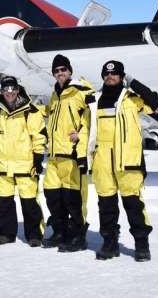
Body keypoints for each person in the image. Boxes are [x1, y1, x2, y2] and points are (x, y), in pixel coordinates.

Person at [90, 60, 158, 262]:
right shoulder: (94, 100)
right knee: (106, 208)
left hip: (128, 162)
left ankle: (141, 245)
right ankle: (109, 244)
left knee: (134, 206)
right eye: (107, 74)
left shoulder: (131, 99)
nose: (110, 77)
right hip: (103, 162)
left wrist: (133, 82)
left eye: (115, 74)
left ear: (121, 76)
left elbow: (154, 101)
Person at [0, 76, 47, 247]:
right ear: (1, 91)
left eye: (12, 89)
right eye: (6, 89)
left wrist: (37, 159)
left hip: (25, 166)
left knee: (30, 203)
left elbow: (39, 136)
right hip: (2, 165)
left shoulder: (30, 110)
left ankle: (34, 234)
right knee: (3, 203)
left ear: (18, 90)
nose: (9, 93)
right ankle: (7, 233)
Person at [41, 54, 95, 252]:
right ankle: (60, 231)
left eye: (63, 69)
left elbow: (90, 122)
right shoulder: (56, 94)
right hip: (54, 156)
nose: (60, 73)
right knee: (53, 196)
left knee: (75, 200)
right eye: (56, 71)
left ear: (70, 71)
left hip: (72, 156)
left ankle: (79, 236)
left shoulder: (81, 91)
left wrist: (82, 150)